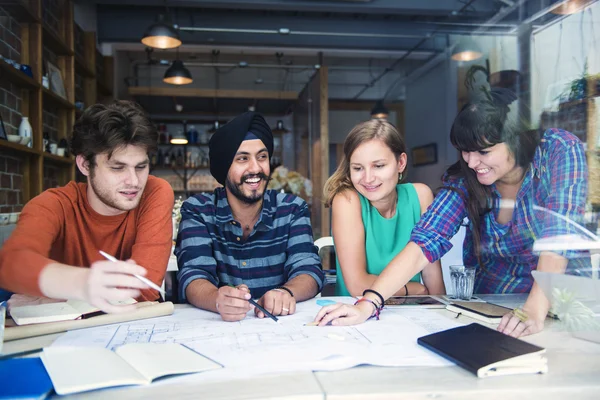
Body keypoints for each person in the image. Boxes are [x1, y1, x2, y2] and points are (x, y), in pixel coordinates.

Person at [314, 94, 588, 337]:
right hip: (491, 305)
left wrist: (534, 309)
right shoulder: (464, 179)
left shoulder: (558, 150)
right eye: (465, 151)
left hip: (559, 302)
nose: (471, 162)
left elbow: (559, 235)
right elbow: (426, 241)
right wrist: (369, 303)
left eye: (483, 151)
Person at [0, 101, 174, 313]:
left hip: (128, 327)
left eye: (141, 167)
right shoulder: (54, 204)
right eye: (117, 168)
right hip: (65, 337)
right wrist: (81, 283)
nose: (134, 181)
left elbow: (142, 289)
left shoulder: (154, 192)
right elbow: (11, 264)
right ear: (84, 164)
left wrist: (62, 297)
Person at [176, 111, 324, 322]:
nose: (255, 168)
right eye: (242, 158)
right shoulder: (198, 211)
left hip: (281, 331)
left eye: (262, 157)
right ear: (224, 167)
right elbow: (193, 275)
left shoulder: (292, 209)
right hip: (219, 333)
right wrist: (217, 299)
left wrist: (285, 292)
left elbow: (308, 268)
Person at [323, 119, 445, 297]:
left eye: (378, 166)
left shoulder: (421, 196)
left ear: (401, 163)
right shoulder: (347, 200)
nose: (368, 178)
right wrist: (412, 289)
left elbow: (432, 276)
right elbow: (358, 285)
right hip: (356, 315)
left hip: (411, 314)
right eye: (358, 168)